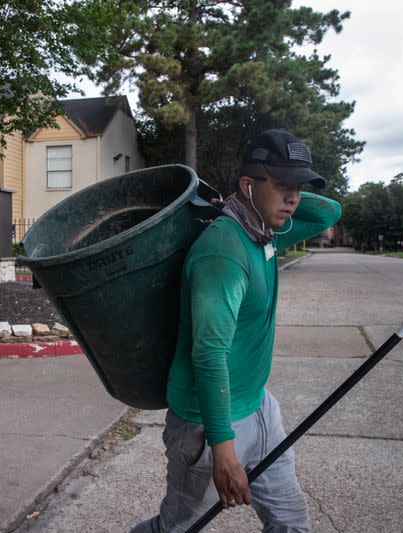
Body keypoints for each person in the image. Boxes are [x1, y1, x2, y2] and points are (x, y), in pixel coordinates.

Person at [131, 129, 341, 533]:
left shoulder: (266, 234)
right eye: (282, 185)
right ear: (248, 184)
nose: (293, 198)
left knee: (290, 522)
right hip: (208, 425)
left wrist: (266, 196)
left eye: (298, 186)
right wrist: (223, 450)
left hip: (260, 406)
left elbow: (327, 212)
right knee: (177, 528)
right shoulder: (223, 254)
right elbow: (208, 355)